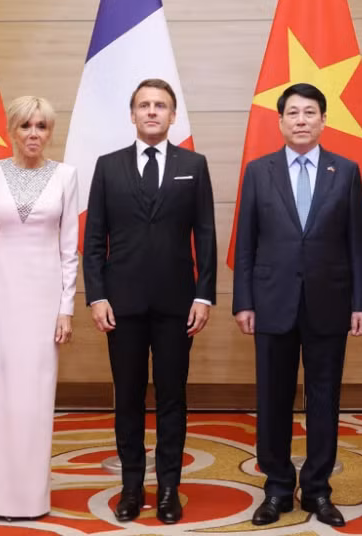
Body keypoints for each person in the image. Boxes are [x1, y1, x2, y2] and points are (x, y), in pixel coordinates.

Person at [233, 83, 362, 528]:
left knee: (324, 400)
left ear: (323, 120)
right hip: (271, 302)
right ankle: (276, 488)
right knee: (272, 400)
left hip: (329, 303)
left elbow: (357, 244)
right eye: (292, 112)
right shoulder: (259, 171)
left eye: (309, 112)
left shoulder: (345, 171)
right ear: (279, 122)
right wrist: (243, 301)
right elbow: (246, 243)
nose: (300, 120)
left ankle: (317, 489)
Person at [83, 78, 217, 524]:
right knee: (128, 398)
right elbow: (94, 239)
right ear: (133, 114)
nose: (153, 111)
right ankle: (131, 488)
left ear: (173, 115)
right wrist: (96, 295)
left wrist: (205, 294)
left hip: (178, 305)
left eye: (161, 105)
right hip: (121, 306)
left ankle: (169, 491)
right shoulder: (108, 166)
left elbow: (206, 235)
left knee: (172, 398)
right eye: (145, 105)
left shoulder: (193, 165)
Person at [0, 96, 79, 519]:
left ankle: (31, 498)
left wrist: (65, 308)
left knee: (35, 396)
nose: (34, 134)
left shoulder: (67, 176)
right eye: (26, 126)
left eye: (42, 126)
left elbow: (70, 250)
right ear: (12, 130)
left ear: (51, 133)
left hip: (44, 298)